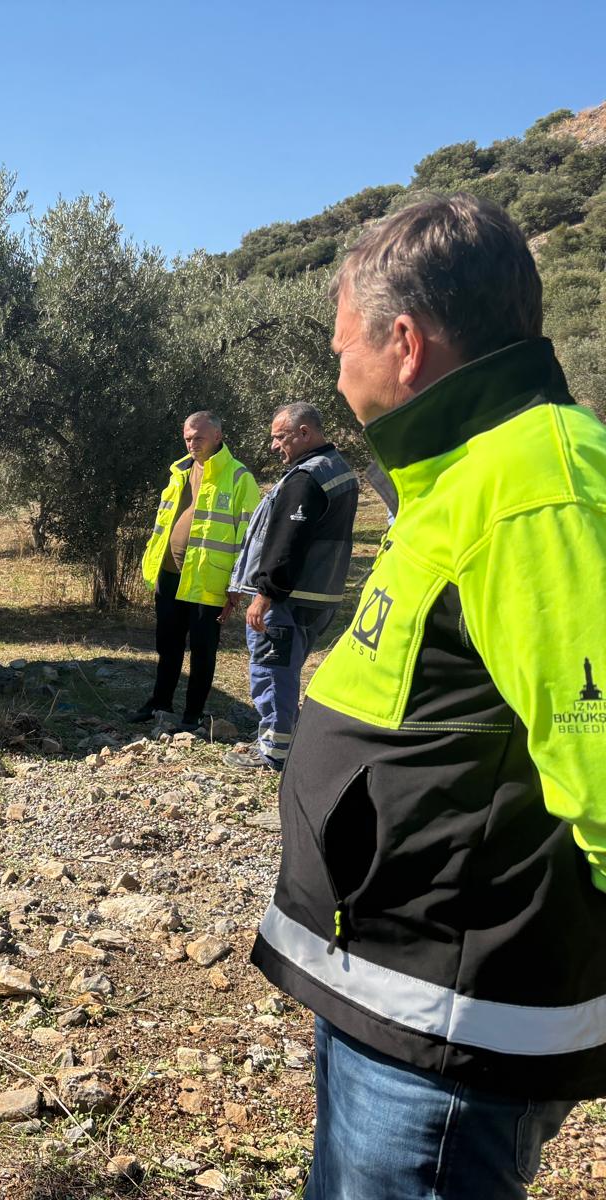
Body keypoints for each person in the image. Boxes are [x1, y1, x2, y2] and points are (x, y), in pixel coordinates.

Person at [250, 194, 606, 1198]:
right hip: (397, 999)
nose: (335, 372)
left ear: (403, 342)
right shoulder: (470, 470)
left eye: (340, 348)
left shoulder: (537, 482)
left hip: (450, 1026)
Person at [222, 402, 357, 771]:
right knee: (287, 670)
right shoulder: (339, 470)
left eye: (279, 437)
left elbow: (288, 541)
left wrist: (265, 593)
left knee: (272, 671)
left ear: (304, 434)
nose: (273, 446)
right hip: (321, 595)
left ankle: (276, 753)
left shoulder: (306, 477)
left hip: (289, 598)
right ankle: (283, 740)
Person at [131, 411, 260, 731]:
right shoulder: (179, 472)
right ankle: (159, 702)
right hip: (170, 573)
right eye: (188, 438)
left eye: (198, 438)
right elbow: (164, 522)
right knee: (168, 643)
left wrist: (238, 585)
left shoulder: (238, 477)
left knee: (203, 648)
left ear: (218, 436)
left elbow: (251, 537)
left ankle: (193, 713)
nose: (192, 444)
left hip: (209, 579)